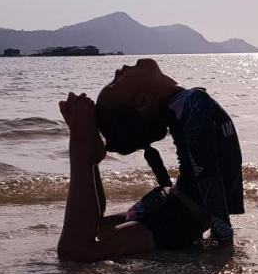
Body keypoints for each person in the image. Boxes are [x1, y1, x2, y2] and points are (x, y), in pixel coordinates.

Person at [56, 58, 243, 262]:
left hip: (180, 211)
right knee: (80, 246)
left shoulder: (185, 103)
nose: (121, 70)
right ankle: (85, 151)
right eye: (116, 82)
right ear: (143, 101)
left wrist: (219, 235)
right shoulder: (190, 102)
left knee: (82, 244)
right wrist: (224, 240)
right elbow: (207, 174)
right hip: (178, 216)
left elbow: (207, 169)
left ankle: (87, 153)